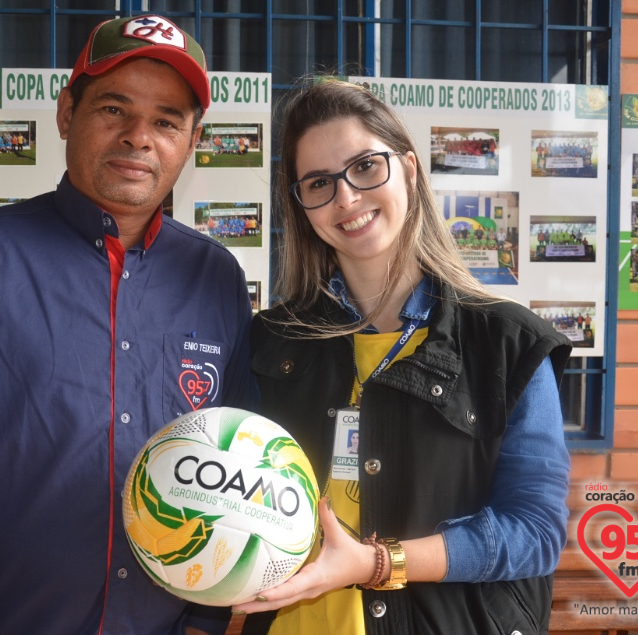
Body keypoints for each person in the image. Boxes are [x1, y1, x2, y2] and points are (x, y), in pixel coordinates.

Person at [0, 15, 255, 635]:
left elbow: (236, 475)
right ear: (67, 113)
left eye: (167, 121)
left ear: (192, 140)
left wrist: (204, 619)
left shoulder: (215, 277)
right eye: (114, 109)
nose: (140, 137)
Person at [236, 79, 572, 634]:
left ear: (410, 170)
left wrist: (378, 563)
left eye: (366, 167)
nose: (346, 198)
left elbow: (534, 533)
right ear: (303, 207)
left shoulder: (507, 344)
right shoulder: (273, 342)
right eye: (319, 183)